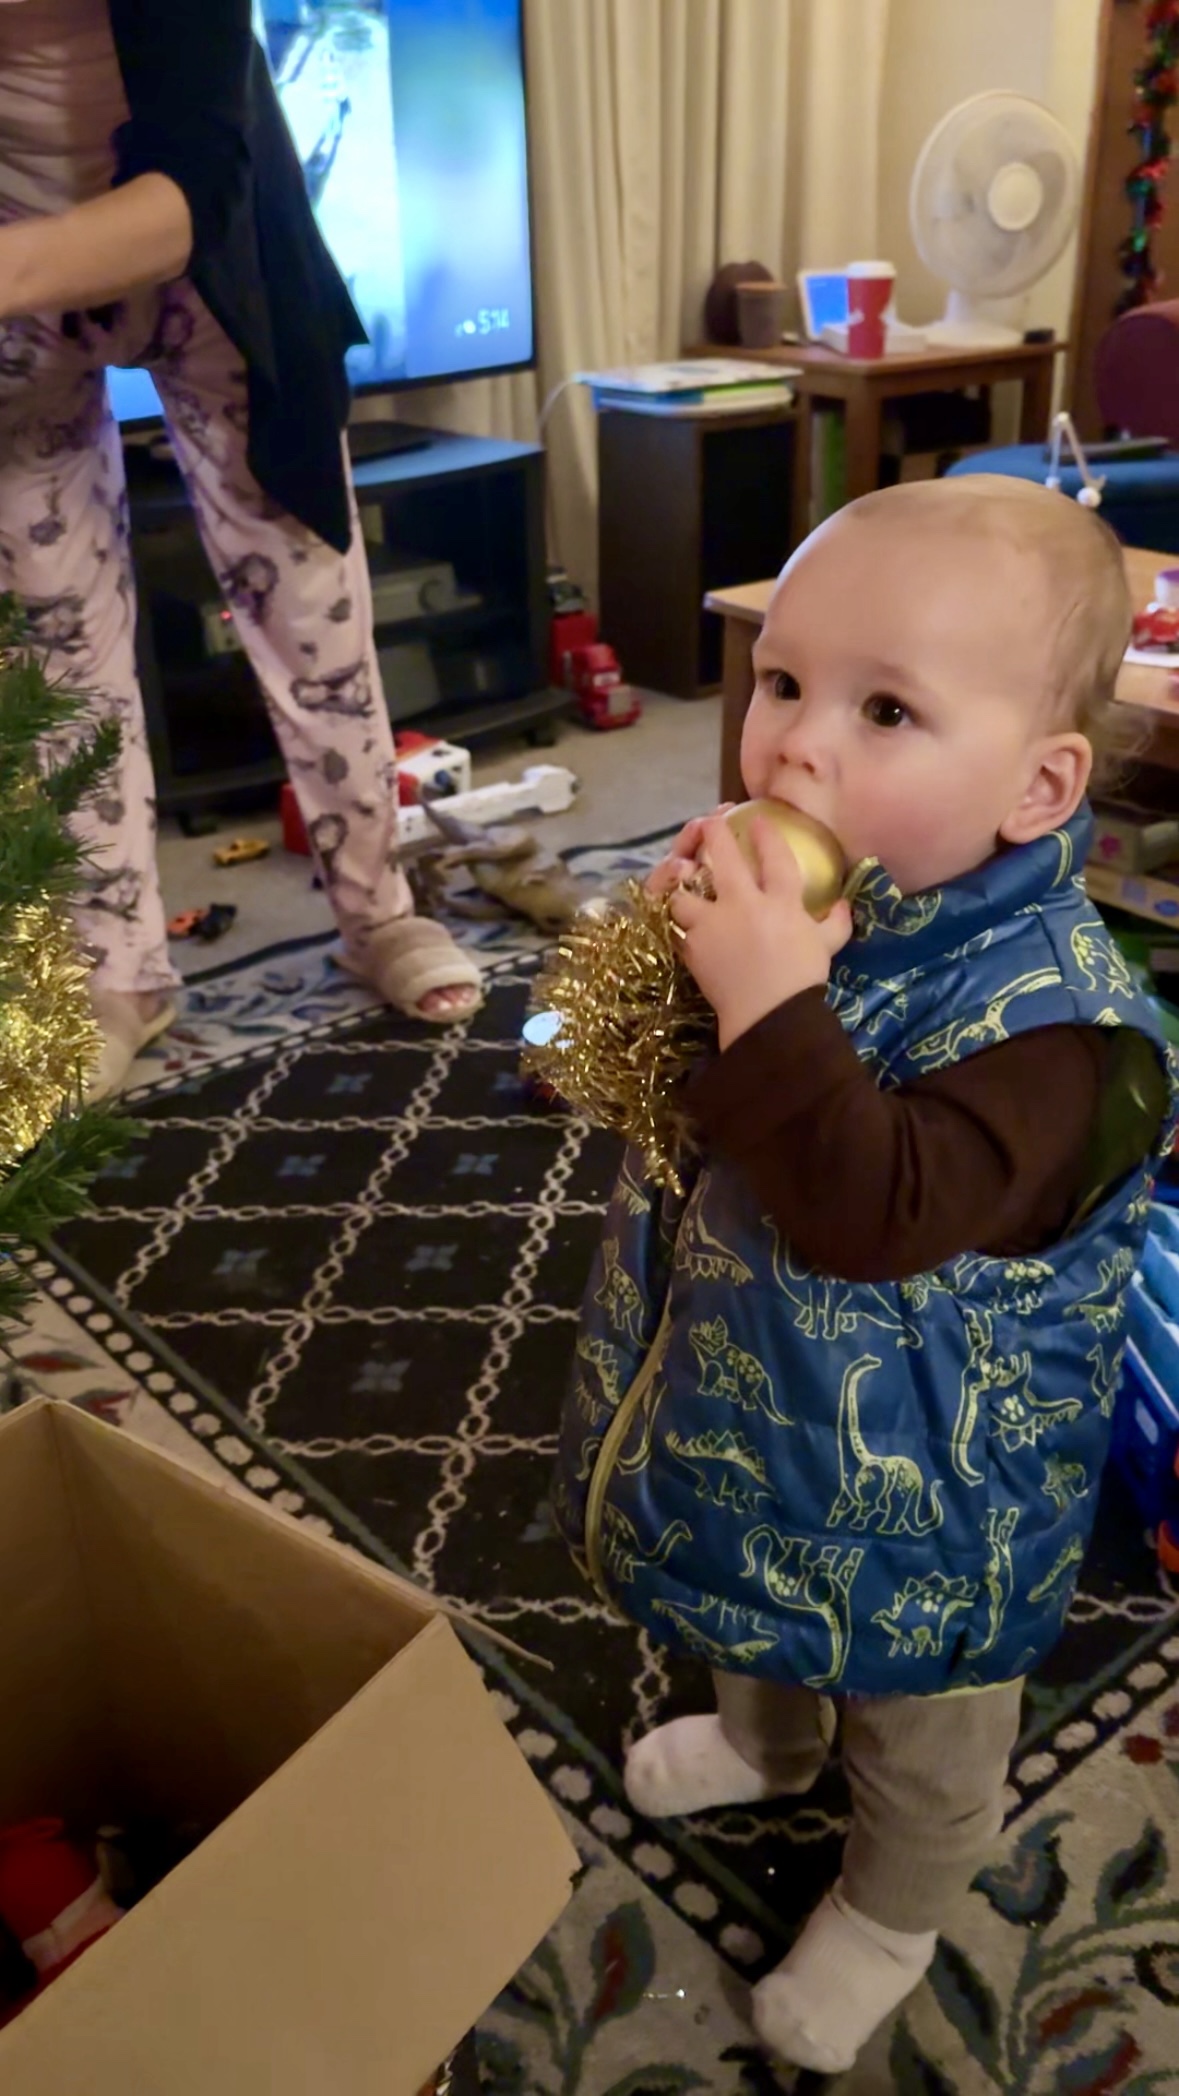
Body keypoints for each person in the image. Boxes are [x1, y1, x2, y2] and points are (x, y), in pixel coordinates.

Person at [553, 476, 1175, 2076]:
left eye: (881, 708)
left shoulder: (1065, 1035)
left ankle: (892, 1913)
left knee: (918, 1740)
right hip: (744, 1402)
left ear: (1038, 786)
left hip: (934, 1510)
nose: (791, 748)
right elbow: (678, 1097)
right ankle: (764, 1744)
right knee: (740, 1587)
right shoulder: (826, 902)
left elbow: (875, 1212)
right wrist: (679, 979)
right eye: (781, 681)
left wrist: (768, 1003)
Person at [0, 0, 482, 1098]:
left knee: (311, 609)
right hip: (19, 271)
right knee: (55, 636)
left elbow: (190, 187)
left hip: (206, 239)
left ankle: (379, 913)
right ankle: (116, 974)